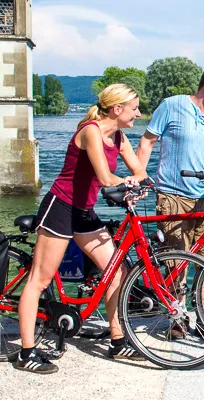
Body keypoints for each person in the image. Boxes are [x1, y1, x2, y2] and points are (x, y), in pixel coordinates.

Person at [15, 84, 148, 374]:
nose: (138, 113)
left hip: (84, 213)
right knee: (39, 279)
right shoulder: (91, 131)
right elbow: (104, 176)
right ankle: (26, 352)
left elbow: (140, 171)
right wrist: (126, 183)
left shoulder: (120, 136)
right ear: (117, 109)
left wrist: (139, 182)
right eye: (134, 108)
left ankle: (117, 340)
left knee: (117, 271)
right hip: (61, 207)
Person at [136, 66, 204, 339]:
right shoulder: (172, 106)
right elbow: (147, 143)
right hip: (172, 196)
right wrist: (139, 176)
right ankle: (177, 319)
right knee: (175, 263)